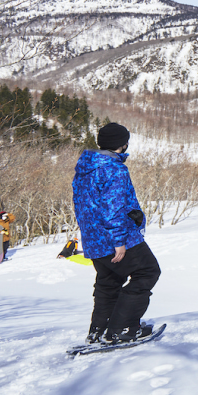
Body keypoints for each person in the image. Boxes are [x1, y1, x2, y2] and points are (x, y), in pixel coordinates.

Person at [72, 122, 161, 344]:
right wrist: (118, 241)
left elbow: (85, 205)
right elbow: (112, 208)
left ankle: (99, 330)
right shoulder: (113, 169)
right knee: (147, 272)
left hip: (94, 239)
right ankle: (122, 329)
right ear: (123, 143)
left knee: (109, 281)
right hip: (118, 238)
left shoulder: (84, 168)